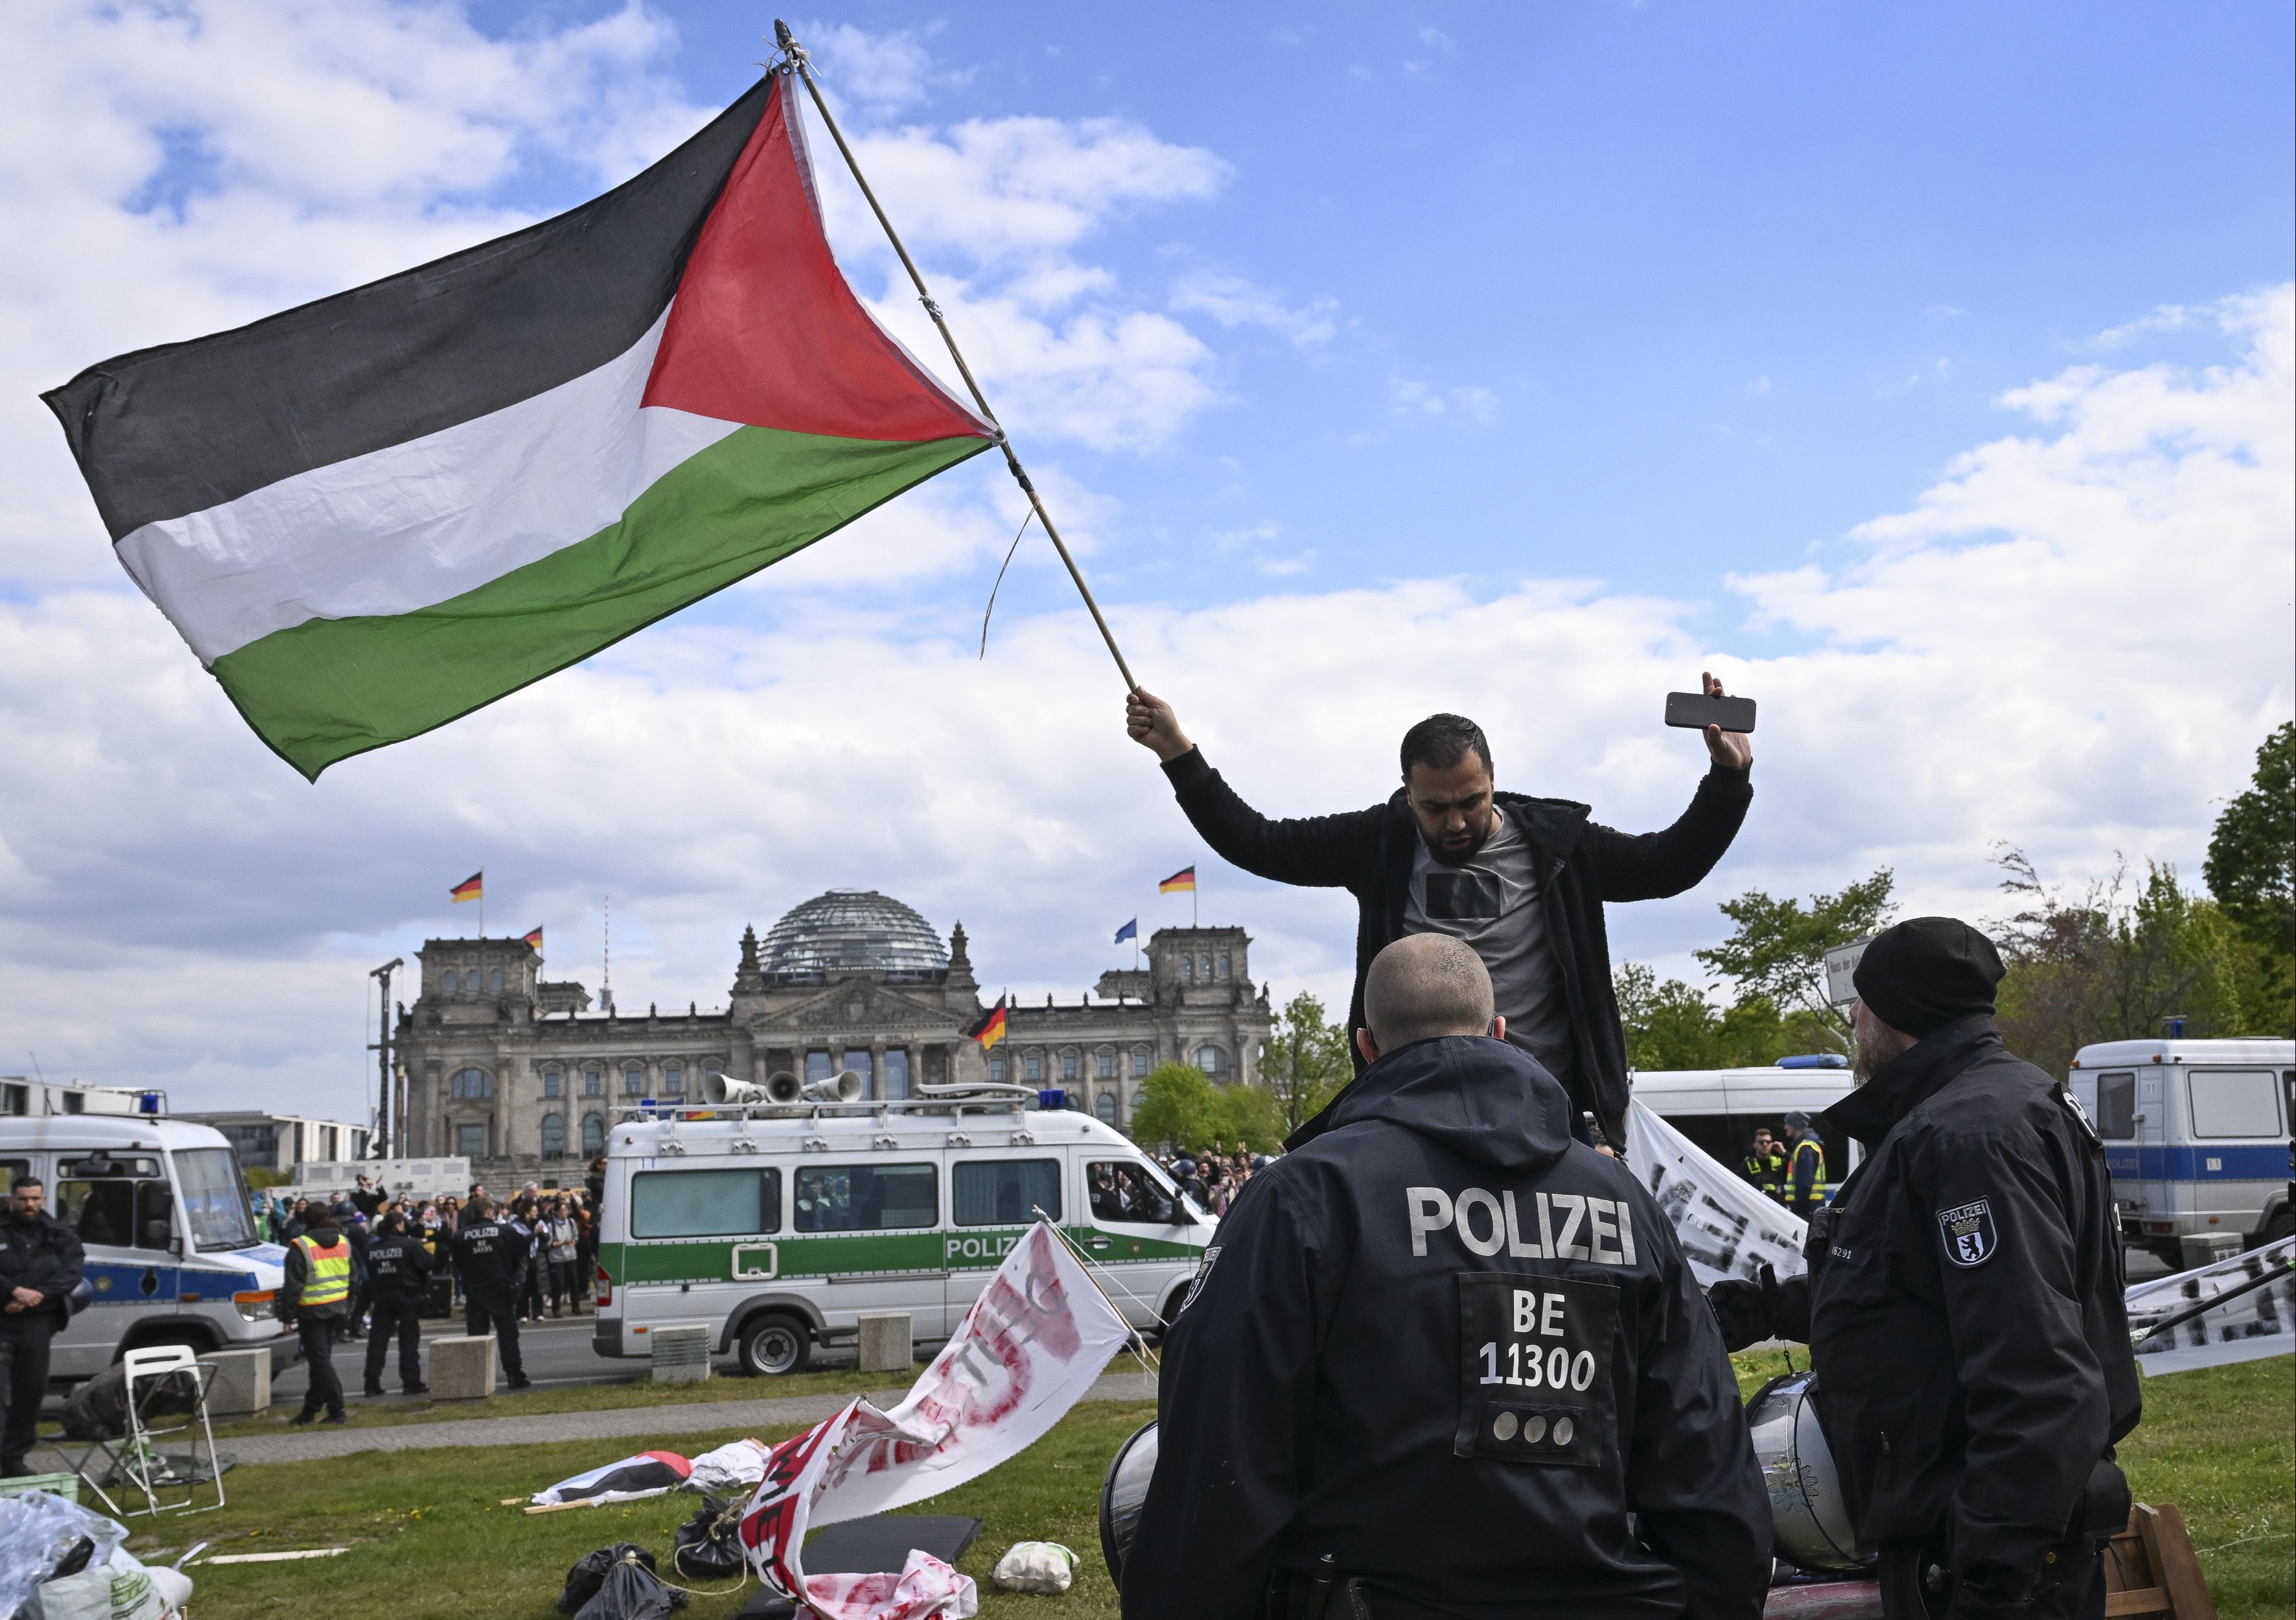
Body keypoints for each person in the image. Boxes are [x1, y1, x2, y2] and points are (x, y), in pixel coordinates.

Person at [1128, 936, 1768, 1620]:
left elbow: (1218, 1467)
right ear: (1498, 1032)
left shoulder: (1302, 1199)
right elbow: (1705, 1458)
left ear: (1366, 1047)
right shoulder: (1621, 1198)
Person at [1707, 918, 2140, 1620]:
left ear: (1893, 1015)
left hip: (1983, 1547)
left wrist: (1993, 1569)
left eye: (1862, 1004)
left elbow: (2036, 1369)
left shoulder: (1969, 1135)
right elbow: (1910, 1295)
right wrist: (1761, 1310)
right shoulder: (1992, 1103)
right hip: (1958, 1526)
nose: (1853, 1018)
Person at [1126, 677, 1754, 1149]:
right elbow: (1258, 841)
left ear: (1494, 781)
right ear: (1407, 793)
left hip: (1553, 1108)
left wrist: (1727, 781)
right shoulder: (1380, 844)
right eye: (1435, 808)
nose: (1456, 822)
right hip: (1420, 1110)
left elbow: (1667, 865)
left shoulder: (1560, 847)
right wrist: (1178, 752)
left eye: (1472, 802)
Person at [0, 1179, 84, 1475]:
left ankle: (13, 1459)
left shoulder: (58, 1235)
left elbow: (72, 1272)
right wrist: (12, 1292)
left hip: (37, 1322)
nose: (30, 1205)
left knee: (31, 1390)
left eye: (36, 1199)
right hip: (2, 1321)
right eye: (23, 1199)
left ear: (44, 1198)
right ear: (12, 1199)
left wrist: (36, 1297)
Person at [451, 1194, 531, 1388]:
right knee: (507, 1334)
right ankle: (514, 1375)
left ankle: (477, 1379)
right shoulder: (504, 1231)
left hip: (475, 1291)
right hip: (501, 1289)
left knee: (477, 1337)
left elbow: (458, 1263)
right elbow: (521, 1255)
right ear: (489, 1212)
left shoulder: (461, 1236)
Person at [282, 1207, 353, 1425]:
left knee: (320, 1362)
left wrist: (287, 1316)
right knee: (320, 1362)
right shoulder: (343, 1241)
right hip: (338, 1307)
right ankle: (310, 1411)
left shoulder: (301, 1245)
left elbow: (293, 1285)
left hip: (312, 1311)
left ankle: (337, 1409)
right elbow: (355, 1276)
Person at [362, 1210, 433, 1396]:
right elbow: (428, 1263)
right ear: (399, 1225)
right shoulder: (410, 1245)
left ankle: (371, 1383)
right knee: (408, 1341)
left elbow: (369, 1274)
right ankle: (411, 1383)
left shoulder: (372, 1249)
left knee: (377, 1342)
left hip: (382, 1298)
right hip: (407, 1296)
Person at [1781, 1110, 1827, 1218]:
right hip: (1812, 1207)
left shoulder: (1805, 1147)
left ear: (1795, 1126)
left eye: (1787, 1124)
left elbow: (1804, 1184)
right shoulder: (1807, 1146)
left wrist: (1798, 1210)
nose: (1785, 1127)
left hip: (1806, 1210)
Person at [1741, 1127, 1785, 1203]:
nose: (1765, 1144)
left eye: (1768, 1142)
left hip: (1780, 1208)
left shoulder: (1781, 1162)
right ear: (1755, 1145)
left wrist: (1784, 1152)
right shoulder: (1746, 1166)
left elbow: (1798, 1167)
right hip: (1758, 1207)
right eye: (1761, 1142)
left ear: (1772, 1144)